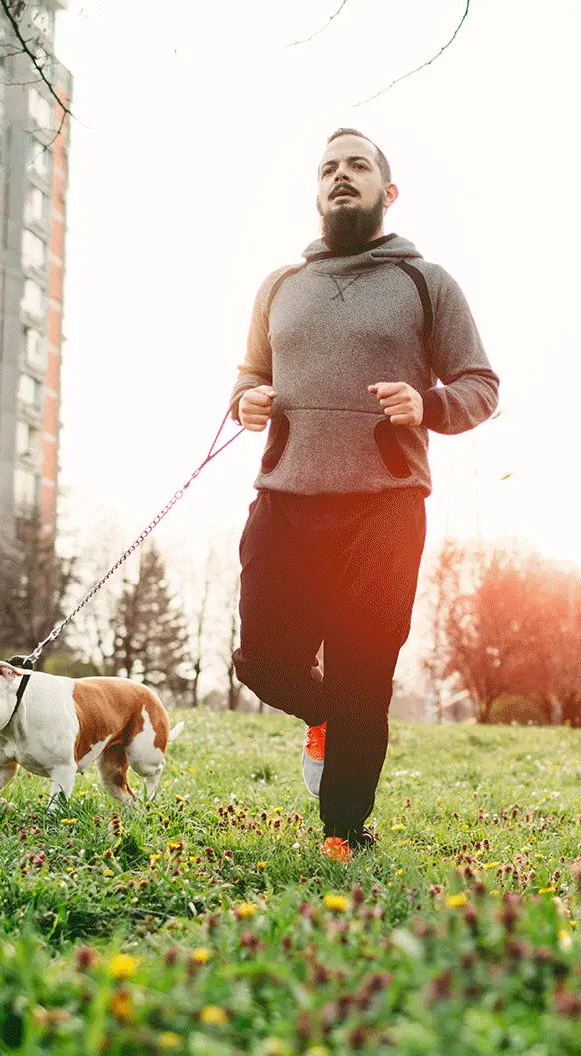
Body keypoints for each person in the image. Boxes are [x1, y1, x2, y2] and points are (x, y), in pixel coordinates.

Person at [228, 128, 500, 863]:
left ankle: (343, 833)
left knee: (362, 672)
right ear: (315, 192)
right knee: (260, 662)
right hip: (284, 500)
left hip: (383, 507)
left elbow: (482, 387)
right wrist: (247, 401)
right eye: (328, 169)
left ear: (389, 190)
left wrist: (428, 405)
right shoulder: (281, 286)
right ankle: (331, 719)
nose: (340, 177)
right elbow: (249, 375)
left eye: (357, 166)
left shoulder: (425, 282)